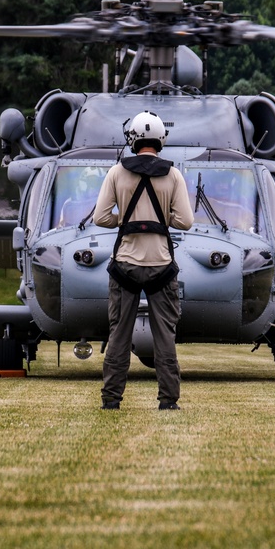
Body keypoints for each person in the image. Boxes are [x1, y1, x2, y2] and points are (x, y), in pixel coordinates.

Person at [93, 111, 194, 411]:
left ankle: (111, 399)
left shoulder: (116, 173)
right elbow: (186, 221)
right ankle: (168, 400)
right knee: (165, 335)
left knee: (119, 335)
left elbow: (100, 217)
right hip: (161, 266)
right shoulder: (173, 175)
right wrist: (163, 218)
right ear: (161, 140)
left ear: (132, 140)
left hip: (124, 264)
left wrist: (124, 218)